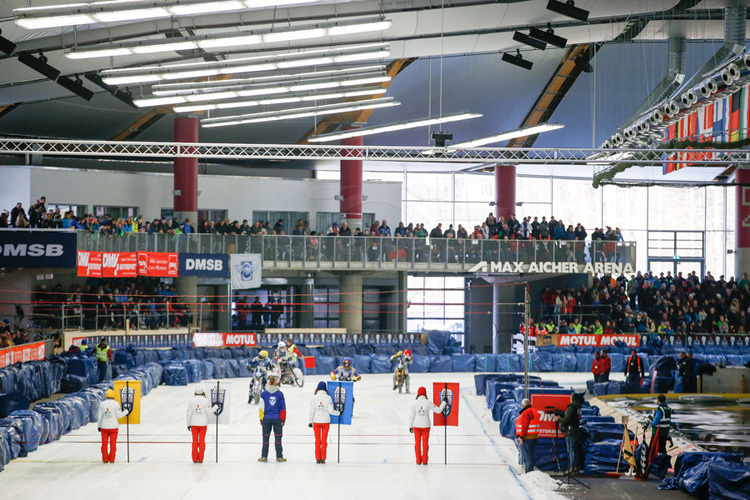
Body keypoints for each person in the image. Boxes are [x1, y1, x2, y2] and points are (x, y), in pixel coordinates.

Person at [408, 386, 446, 465]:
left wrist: (410, 426)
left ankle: (418, 460)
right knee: (425, 443)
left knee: (417, 443)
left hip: (416, 425)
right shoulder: (428, 402)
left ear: (418, 394)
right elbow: (438, 410)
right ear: (425, 393)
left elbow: (411, 416)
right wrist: (444, 403)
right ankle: (425, 460)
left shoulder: (414, 403)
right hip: (426, 425)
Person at [308, 381, 340, 464]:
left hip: (316, 421)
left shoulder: (314, 397)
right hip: (326, 421)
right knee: (324, 440)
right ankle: (323, 459)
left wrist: (310, 422)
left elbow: (312, 411)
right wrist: (338, 413)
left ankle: (318, 458)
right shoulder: (328, 397)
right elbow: (330, 410)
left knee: (317, 440)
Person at [186, 386, 218, 463]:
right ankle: (200, 459)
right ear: (203, 392)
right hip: (203, 424)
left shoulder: (191, 400)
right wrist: (216, 407)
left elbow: (189, 413)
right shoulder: (205, 400)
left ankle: (194, 459)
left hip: (193, 423)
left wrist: (188, 424)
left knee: (194, 441)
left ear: (195, 393)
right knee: (201, 441)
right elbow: (209, 412)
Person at [97, 389, 130, 463]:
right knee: (113, 444)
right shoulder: (116, 404)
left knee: (104, 444)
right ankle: (111, 459)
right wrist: (126, 411)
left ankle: (105, 459)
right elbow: (119, 415)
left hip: (104, 426)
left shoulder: (102, 404)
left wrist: (99, 426)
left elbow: (99, 417)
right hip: (114, 427)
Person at [259, 376, 286, 462]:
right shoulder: (280, 394)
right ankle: (279, 456)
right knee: (278, 438)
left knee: (265, 438)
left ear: (268, 383)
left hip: (266, 418)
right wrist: (283, 419)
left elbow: (261, 408)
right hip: (277, 418)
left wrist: (261, 419)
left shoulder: (264, 394)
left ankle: (264, 456)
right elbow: (283, 408)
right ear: (275, 383)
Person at [556, 392, 583, 475]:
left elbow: (566, 420)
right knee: (575, 450)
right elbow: (571, 416)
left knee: (571, 450)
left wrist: (558, 419)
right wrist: (562, 413)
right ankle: (575, 468)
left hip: (570, 432)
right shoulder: (578, 407)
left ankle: (571, 468)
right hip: (576, 431)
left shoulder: (571, 407)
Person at [515, 398, 539, 474]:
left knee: (527, 455)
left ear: (522, 405)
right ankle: (530, 468)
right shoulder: (535, 411)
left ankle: (529, 470)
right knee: (531, 453)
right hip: (534, 436)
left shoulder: (526, 413)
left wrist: (521, 436)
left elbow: (525, 426)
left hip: (526, 437)